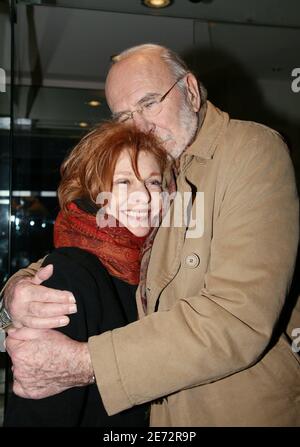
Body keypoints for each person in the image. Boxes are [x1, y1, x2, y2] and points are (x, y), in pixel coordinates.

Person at [2, 44, 299, 426]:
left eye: (148, 103)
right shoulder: (157, 169)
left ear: (190, 91)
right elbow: (92, 244)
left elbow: (236, 317)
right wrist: (16, 290)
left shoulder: (250, 152)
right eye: (123, 115)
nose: (138, 126)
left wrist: (85, 363)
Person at [4, 120, 168, 426]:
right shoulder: (67, 274)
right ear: (92, 193)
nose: (143, 196)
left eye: (154, 182)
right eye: (123, 182)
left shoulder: (163, 266)